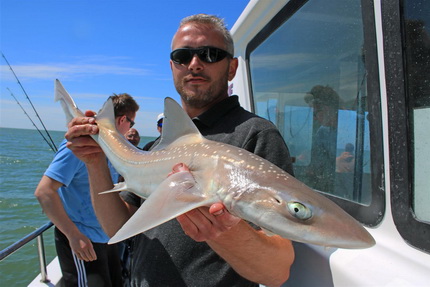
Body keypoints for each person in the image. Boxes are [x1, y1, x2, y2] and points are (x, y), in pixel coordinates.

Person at [65, 14, 295, 286]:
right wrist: (94, 163)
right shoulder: (158, 146)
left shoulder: (255, 135)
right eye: (182, 56)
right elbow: (119, 228)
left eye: (210, 54)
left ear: (232, 68)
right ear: (172, 66)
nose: (194, 64)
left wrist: (221, 231)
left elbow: (276, 271)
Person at [34, 93, 139, 287]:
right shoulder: (78, 146)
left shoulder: (112, 148)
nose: (131, 129)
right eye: (131, 124)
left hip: (108, 238)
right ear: (123, 119)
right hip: (83, 241)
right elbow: (44, 192)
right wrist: (74, 236)